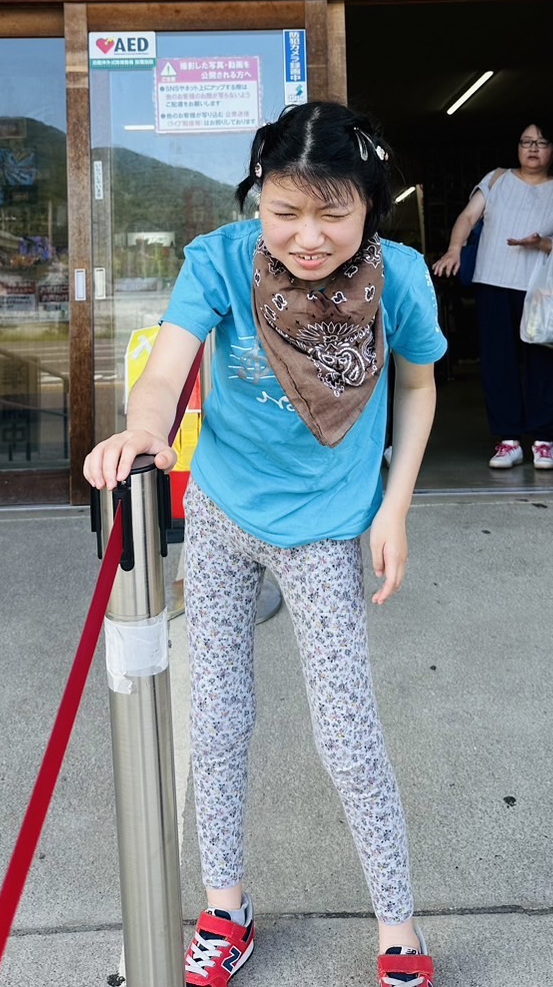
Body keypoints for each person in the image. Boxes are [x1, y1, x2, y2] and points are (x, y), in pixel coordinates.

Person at [84, 102, 445, 987]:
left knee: (347, 734)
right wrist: (143, 431)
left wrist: (394, 507)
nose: (307, 237)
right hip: (222, 513)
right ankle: (226, 907)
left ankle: (398, 926)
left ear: (369, 205)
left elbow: (417, 386)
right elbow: (166, 368)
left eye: (332, 214)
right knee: (218, 717)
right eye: (285, 211)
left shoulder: (399, 277)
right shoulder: (220, 260)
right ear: (259, 199)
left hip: (325, 528)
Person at [432, 123, 553, 472]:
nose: (533, 148)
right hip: (494, 282)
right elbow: (468, 217)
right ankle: (509, 440)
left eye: (542, 142)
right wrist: (455, 250)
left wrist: (543, 243)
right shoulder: (497, 179)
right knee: (497, 363)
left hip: (541, 289)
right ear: (517, 147)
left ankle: (544, 441)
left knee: (543, 363)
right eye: (526, 142)